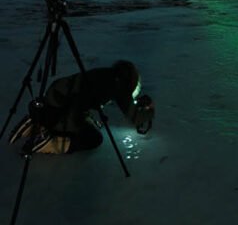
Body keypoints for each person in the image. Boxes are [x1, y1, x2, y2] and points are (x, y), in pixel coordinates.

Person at [7, 60, 154, 155]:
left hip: (55, 95)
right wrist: (150, 111)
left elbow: (88, 96)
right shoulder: (120, 87)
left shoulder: (106, 74)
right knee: (93, 139)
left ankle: (38, 122)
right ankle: (49, 143)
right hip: (65, 106)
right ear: (131, 83)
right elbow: (135, 118)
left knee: (81, 120)